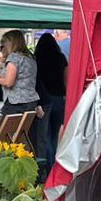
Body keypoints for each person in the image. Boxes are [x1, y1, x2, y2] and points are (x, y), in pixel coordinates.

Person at [0, 29, 40, 152]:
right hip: (30, 102)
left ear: (12, 42)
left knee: (4, 139)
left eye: (4, 42)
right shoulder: (30, 57)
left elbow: (8, 82)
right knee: (26, 139)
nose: (1, 45)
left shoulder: (14, 58)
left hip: (15, 103)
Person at [34, 30, 68, 162]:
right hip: (59, 99)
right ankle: (53, 165)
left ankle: (45, 168)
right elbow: (66, 81)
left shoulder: (37, 59)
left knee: (44, 137)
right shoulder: (61, 58)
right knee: (54, 136)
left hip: (43, 100)